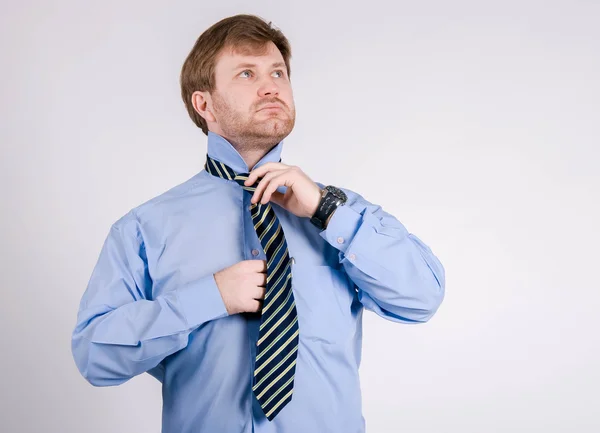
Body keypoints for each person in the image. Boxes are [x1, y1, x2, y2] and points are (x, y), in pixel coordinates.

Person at [71, 13, 445, 433]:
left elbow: (422, 297)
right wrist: (207, 298)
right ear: (204, 104)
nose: (271, 86)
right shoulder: (145, 228)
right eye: (247, 73)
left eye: (278, 73)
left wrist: (326, 211)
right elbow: (95, 356)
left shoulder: (341, 214)